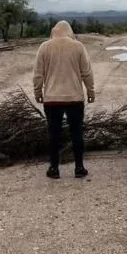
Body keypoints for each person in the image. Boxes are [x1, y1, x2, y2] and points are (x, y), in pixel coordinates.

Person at [33, 20, 95, 179]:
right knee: (76, 133)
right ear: (69, 32)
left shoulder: (44, 47)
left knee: (54, 134)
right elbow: (86, 72)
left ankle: (54, 168)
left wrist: (37, 91)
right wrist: (90, 90)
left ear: (54, 31)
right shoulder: (78, 46)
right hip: (74, 98)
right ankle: (79, 167)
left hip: (52, 99)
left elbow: (38, 73)